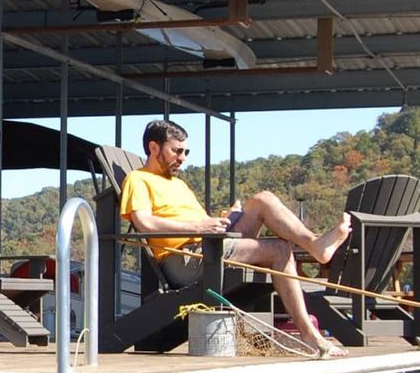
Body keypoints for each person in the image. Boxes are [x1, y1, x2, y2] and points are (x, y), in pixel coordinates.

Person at [119, 119, 353, 354]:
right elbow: (144, 222)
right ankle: (309, 335)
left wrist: (226, 219)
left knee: (264, 199)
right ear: (154, 148)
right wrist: (200, 226)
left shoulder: (178, 185)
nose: (182, 158)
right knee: (280, 250)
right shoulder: (137, 180)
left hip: (208, 247)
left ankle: (315, 245)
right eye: (177, 151)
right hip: (185, 259)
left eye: (185, 151)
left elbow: (201, 224)